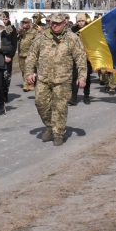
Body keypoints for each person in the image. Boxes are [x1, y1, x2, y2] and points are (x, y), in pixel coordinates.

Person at [25, 12, 87, 146]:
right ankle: (49, 125)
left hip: (63, 80)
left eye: (58, 23)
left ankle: (58, 132)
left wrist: (82, 76)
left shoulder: (72, 38)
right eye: (52, 23)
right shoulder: (42, 37)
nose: (54, 26)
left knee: (60, 107)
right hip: (43, 78)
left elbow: (81, 58)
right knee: (40, 103)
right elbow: (31, 55)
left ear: (64, 23)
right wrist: (29, 72)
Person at [70, 13, 93, 105]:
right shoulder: (73, 30)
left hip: (87, 58)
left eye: (82, 21)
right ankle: (74, 96)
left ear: (85, 21)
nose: (80, 23)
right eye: (79, 21)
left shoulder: (89, 29)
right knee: (74, 77)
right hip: (75, 57)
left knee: (86, 77)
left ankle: (86, 96)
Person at [0, 12, 19, 101]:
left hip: (8, 54)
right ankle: (0, 95)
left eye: (5, 19)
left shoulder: (12, 29)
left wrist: (10, 55)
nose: (4, 21)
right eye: (3, 19)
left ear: (8, 18)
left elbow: (14, 44)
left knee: (6, 76)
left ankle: (5, 94)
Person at [17, 17, 38, 92]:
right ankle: (26, 83)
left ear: (29, 23)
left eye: (26, 23)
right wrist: (20, 33)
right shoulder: (21, 31)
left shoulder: (34, 31)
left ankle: (29, 84)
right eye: (23, 23)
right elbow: (17, 39)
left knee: (30, 70)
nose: (24, 24)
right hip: (21, 53)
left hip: (30, 54)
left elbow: (37, 41)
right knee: (23, 69)